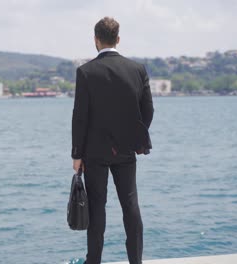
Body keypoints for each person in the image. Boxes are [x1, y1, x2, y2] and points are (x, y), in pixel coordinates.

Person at [71, 17, 154, 264]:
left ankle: (93, 261)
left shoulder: (85, 72)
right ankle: (135, 261)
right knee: (131, 206)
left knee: (97, 208)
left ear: (96, 40)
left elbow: (80, 117)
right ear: (118, 39)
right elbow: (147, 111)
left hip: (94, 152)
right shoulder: (137, 70)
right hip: (127, 150)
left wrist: (77, 154)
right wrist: (135, 139)